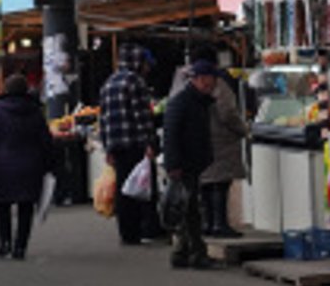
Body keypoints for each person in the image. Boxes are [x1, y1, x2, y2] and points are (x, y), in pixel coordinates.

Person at [0, 75, 54, 260]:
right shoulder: (35, 111)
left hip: (1, 166)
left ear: (6, 89)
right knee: (26, 207)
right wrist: (49, 162)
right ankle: (20, 246)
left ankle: (5, 243)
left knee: (2, 207)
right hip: (31, 165)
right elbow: (45, 140)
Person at [172, 46, 250, 238]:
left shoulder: (185, 80)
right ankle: (219, 224)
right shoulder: (217, 83)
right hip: (221, 139)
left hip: (202, 139)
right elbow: (227, 112)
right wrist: (243, 129)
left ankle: (208, 223)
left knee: (206, 184)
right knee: (220, 184)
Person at [163, 59, 220, 269]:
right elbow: (171, 135)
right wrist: (173, 165)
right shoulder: (183, 102)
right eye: (210, 80)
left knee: (188, 209)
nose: (212, 84)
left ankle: (182, 252)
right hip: (184, 164)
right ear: (199, 79)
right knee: (190, 210)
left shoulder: (198, 101)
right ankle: (196, 254)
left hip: (192, 163)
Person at [99, 43, 157, 246]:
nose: (147, 68)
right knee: (142, 186)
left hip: (116, 145)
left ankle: (127, 233)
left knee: (124, 189)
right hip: (135, 142)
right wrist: (149, 142)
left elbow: (103, 119)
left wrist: (107, 147)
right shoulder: (135, 81)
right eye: (145, 63)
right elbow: (142, 116)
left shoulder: (108, 83)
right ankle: (147, 229)